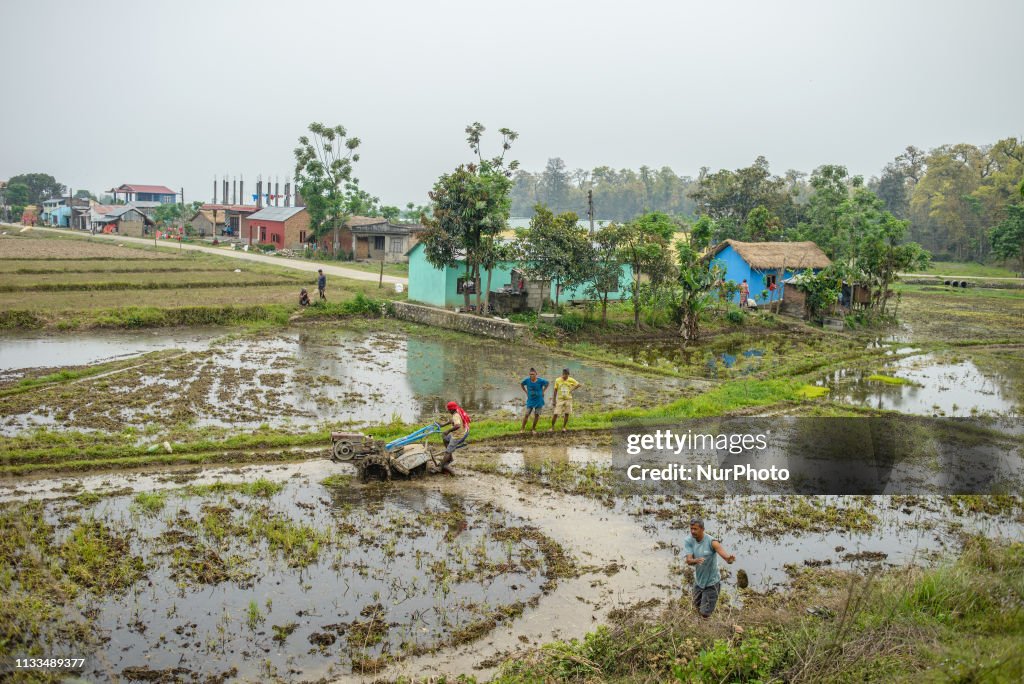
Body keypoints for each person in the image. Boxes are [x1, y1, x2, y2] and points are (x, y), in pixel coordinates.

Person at [684, 517, 736, 619]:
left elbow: (725, 557)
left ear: (702, 529)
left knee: (705, 613)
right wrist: (696, 560)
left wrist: (729, 559)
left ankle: (706, 629)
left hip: (712, 583)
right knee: (696, 607)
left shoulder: (712, 542)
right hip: (699, 581)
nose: (693, 531)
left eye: (695, 529)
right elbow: (689, 560)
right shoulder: (689, 540)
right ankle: (701, 626)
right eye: (691, 529)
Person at [439, 400, 471, 474]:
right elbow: (451, 421)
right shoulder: (457, 411)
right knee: (445, 438)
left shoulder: (456, 415)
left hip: (458, 436)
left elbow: (457, 425)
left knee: (447, 451)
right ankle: (450, 458)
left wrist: (448, 431)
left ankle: (441, 467)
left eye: (449, 410)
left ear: (452, 409)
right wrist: (442, 425)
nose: (448, 411)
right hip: (461, 432)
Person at [520, 368, 549, 433]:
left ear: (536, 374)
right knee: (526, 414)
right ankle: (522, 428)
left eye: (533, 374)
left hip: (539, 400)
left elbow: (547, 383)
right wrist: (526, 391)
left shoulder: (541, 381)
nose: (531, 376)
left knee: (536, 415)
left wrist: (543, 391)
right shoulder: (527, 380)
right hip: (530, 400)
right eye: (530, 374)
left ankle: (533, 429)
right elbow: (521, 384)